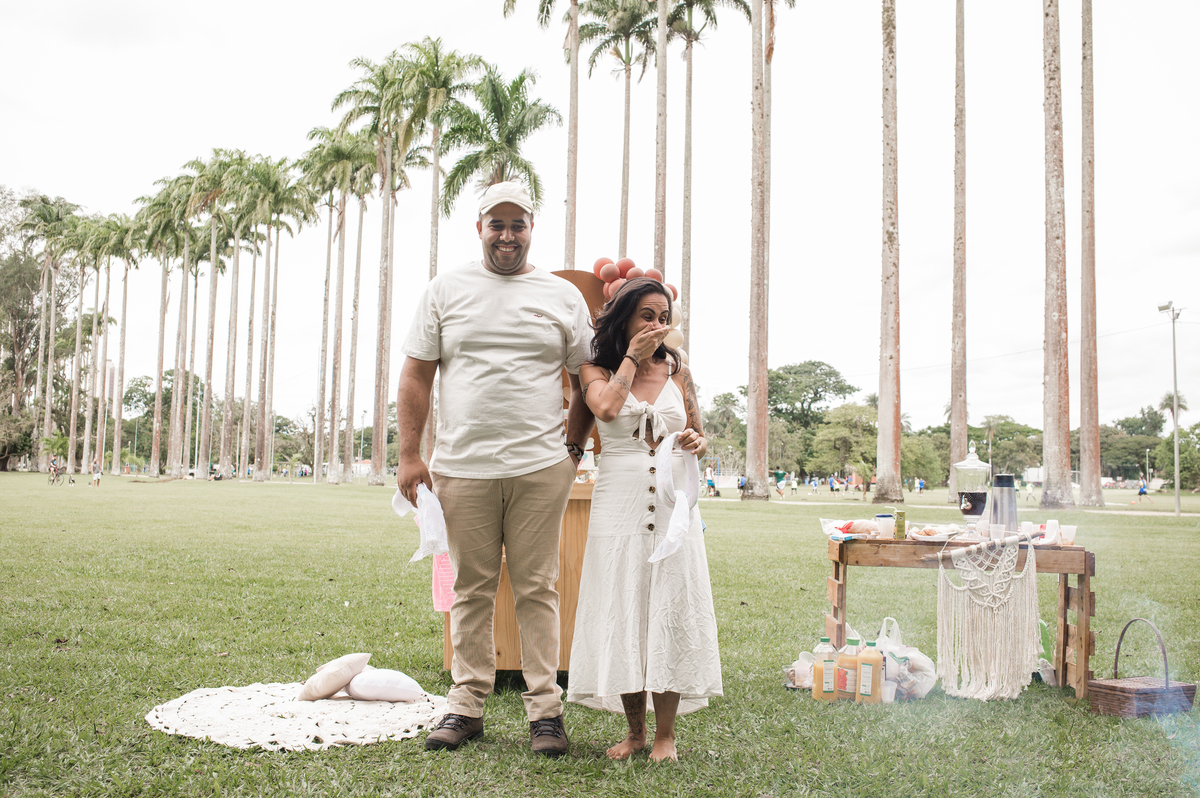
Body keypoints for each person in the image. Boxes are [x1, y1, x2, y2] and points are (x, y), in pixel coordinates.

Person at [396, 181, 594, 758]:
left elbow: (587, 376)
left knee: (538, 588)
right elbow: (416, 374)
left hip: (540, 466)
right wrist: (410, 454)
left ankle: (546, 712)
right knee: (471, 588)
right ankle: (466, 706)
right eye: (497, 224)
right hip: (462, 467)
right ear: (479, 227)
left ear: (532, 227)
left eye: (518, 224)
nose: (507, 235)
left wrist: (573, 448)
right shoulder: (445, 289)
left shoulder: (562, 296)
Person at [567, 277, 722, 762]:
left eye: (664, 317)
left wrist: (696, 442)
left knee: (670, 610)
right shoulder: (594, 369)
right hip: (618, 505)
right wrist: (632, 357)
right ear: (625, 318)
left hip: (674, 508)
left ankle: (665, 736)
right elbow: (606, 408)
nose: (658, 325)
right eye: (647, 316)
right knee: (624, 609)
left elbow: (698, 434)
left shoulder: (679, 372)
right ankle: (634, 732)